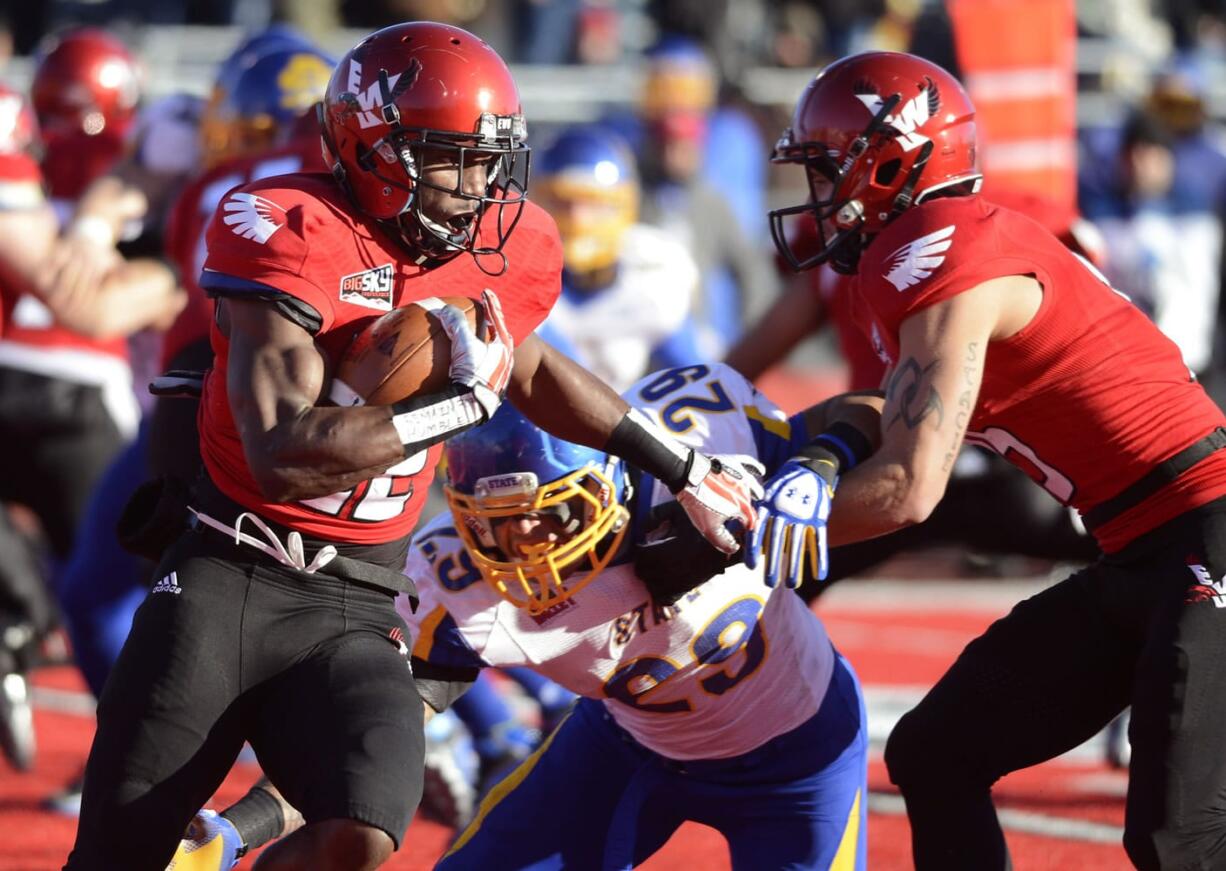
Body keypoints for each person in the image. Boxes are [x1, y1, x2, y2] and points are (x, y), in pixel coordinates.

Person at [64, 22, 759, 871]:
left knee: (363, 828)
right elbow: (285, 450)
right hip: (229, 579)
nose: (473, 187)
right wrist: (458, 404)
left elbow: (534, 371)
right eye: (447, 158)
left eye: (486, 160)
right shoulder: (290, 227)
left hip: (355, 602)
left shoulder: (500, 246)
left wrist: (681, 466)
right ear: (371, 147)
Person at [748, 50, 1226, 871]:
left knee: (1180, 840)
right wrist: (780, 457)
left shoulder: (943, 254)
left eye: (828, 167)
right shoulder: (933, 250)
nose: (818, 194)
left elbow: (906, 488)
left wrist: (730, 533)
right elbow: (883, 411)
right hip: (1138, 546)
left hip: (1207, 534)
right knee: (938, 751)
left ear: (892, 161)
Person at [173, 363, 880, 869]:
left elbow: (866, 409)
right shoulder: (456, 580)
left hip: (802, 758)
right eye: (498, 529)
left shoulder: (694, 454)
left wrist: (819, 461)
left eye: (553, 517)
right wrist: (236, 830)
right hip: (628, 746)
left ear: (607, 483)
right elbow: (359, 746)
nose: (530, 551)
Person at [532, 123, 705, 391]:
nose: (578, 220)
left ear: (623, 206)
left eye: (592, 204)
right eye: (562, 203)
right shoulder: (514, 273)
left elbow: (698, 380)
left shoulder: (653, 271)